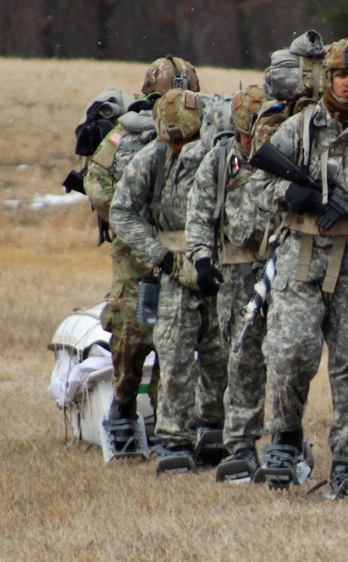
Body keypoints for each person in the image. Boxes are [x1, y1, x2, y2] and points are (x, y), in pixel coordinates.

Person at [253, 37, 348, 496]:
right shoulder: (297, 130)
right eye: (341, 74)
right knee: (290, 351)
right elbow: (257, 185)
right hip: (300, 254)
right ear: (328, 78)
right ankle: (284, 438)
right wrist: (289, 195)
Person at [83, 55, 200, 454]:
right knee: (131, 337)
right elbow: (97, 185)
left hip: (181, 249)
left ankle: (173, 425)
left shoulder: (201, 133)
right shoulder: (123, 134)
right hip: (134, 256)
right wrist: (133, 217)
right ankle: (123, 409)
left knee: (178, 338)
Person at [110, 87, 229, 471]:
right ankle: (173, 439)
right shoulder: (152, 159)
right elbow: (122, 212)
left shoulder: (222, 158)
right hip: (175, 268)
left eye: (186, 139)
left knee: (220, 352)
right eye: (171, 140)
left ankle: (215, 428)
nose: (178, 147)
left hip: (221, 263)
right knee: (173, 353)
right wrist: (162, 259)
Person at [185, 85, 277, 481]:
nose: (249, 141)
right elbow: (198, 214)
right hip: (238, 271)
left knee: (288, 356)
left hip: (282, 265)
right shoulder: (220, 162)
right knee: (241, 359)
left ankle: (286, 440)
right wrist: (202, 260)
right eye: (244, 134)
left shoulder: (284, 155)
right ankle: (240, 444)